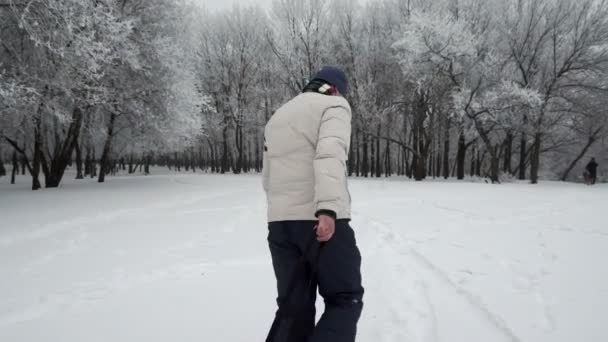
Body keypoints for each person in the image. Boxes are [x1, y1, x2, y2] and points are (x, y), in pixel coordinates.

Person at [262, 66, 364, 342]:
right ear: (336, 88)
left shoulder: (278, 116)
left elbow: (268, 178)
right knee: (345, 298)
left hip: (280, 226)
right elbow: (330, 155)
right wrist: (327, 209)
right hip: (321, 221)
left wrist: (283, 217)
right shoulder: (334, 105)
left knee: (294, 308)